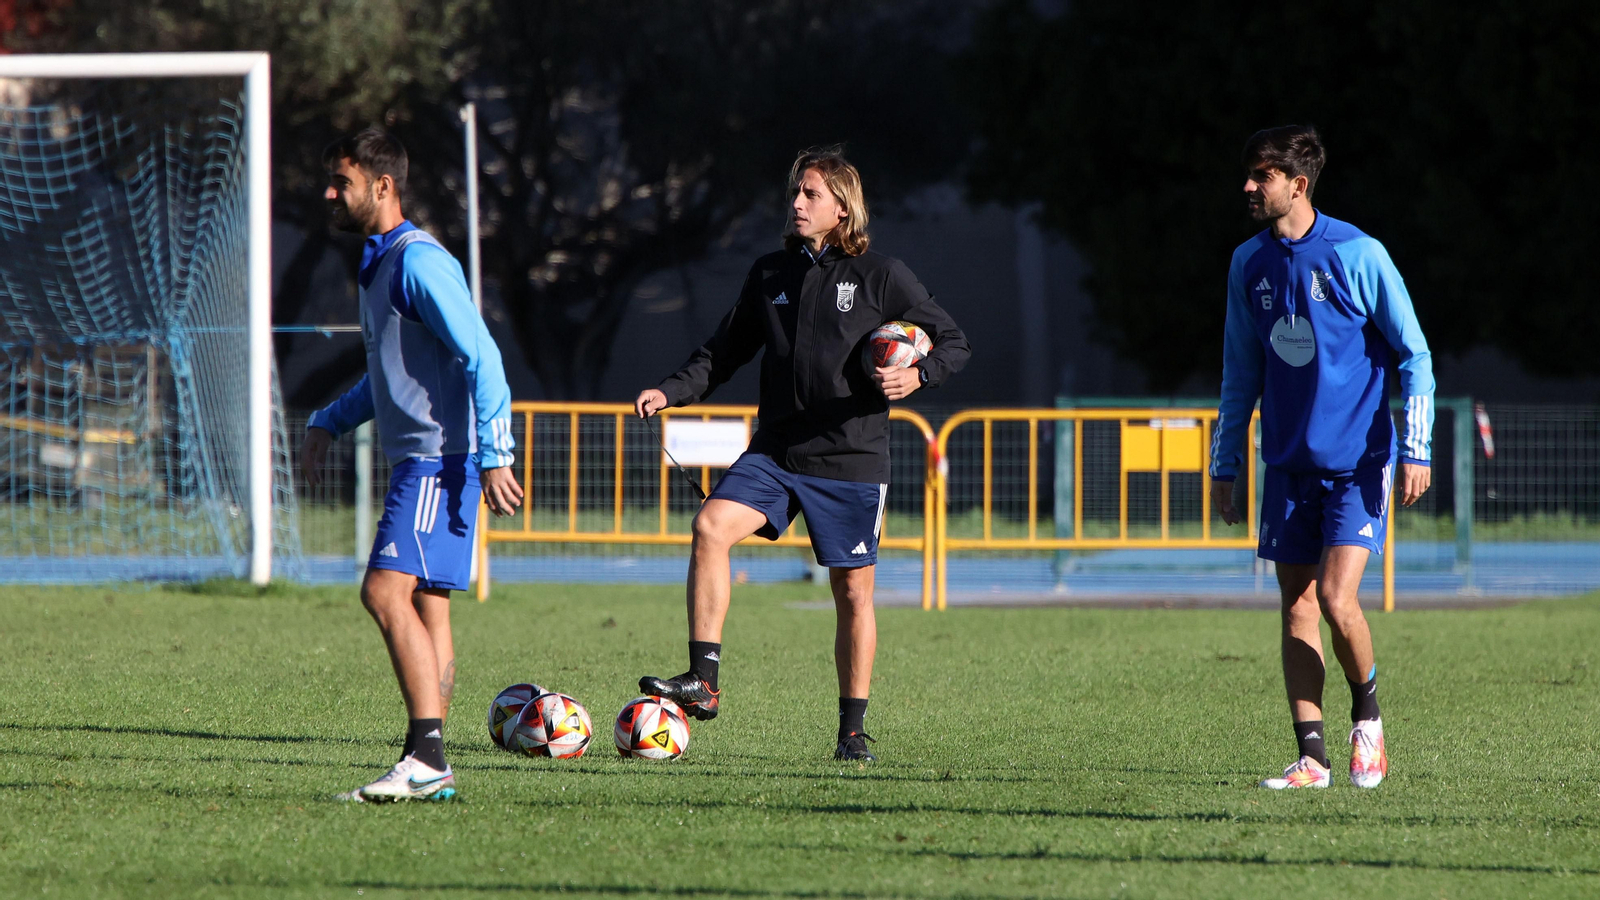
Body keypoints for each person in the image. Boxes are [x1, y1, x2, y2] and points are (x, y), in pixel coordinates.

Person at [634, 148, 971, 761]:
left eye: (810, 194)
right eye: (795, 192)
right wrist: (671, 391)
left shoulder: (883, 275)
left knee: (852, 595)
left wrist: (919, 375)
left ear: (843, 207)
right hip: (778, 451)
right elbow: (722, 353)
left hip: (850, 459)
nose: (796, 203)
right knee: (710, 525)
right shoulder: (770, 275)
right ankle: (703, 682)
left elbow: (952, 340)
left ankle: (851, 733)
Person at [301, 128, 524, 802]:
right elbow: (389, 378)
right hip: (426, 462)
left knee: (383, 592)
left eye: (342, 181)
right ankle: (425, 759)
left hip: (436, 462)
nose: (329, 193)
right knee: (427, 608)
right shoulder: (379, 265)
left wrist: (494, 454)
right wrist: (329, 422)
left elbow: (481, 355)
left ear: (384, 185)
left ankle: (427, 759)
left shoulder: (418, 262)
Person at [1210, 125, 1433, 790]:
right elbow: (1238, 373)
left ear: (1297, 185)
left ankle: (1368, 716)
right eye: (1249, 175)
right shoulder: (1247, 264)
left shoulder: (1358, 254)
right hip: (1286, 464)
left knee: (1338, 599)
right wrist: (1226, 464)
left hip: (1359, 460)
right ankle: (1313, 757)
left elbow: (1414, 355)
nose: (1249, 187)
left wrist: (1416, 447)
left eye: (1262, 176)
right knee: (1297, 606)